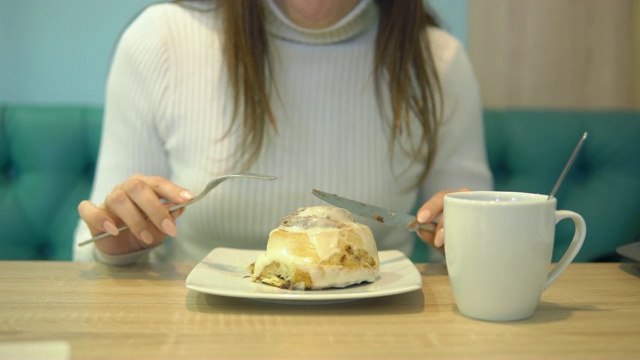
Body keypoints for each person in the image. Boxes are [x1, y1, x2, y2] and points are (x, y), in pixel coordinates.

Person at [74, 0, 493, 265]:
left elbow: (473, 249)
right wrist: (119, 246)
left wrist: (470, 240)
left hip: (378, 335)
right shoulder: (160, 40)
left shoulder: (439, 61)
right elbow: (94, 252)